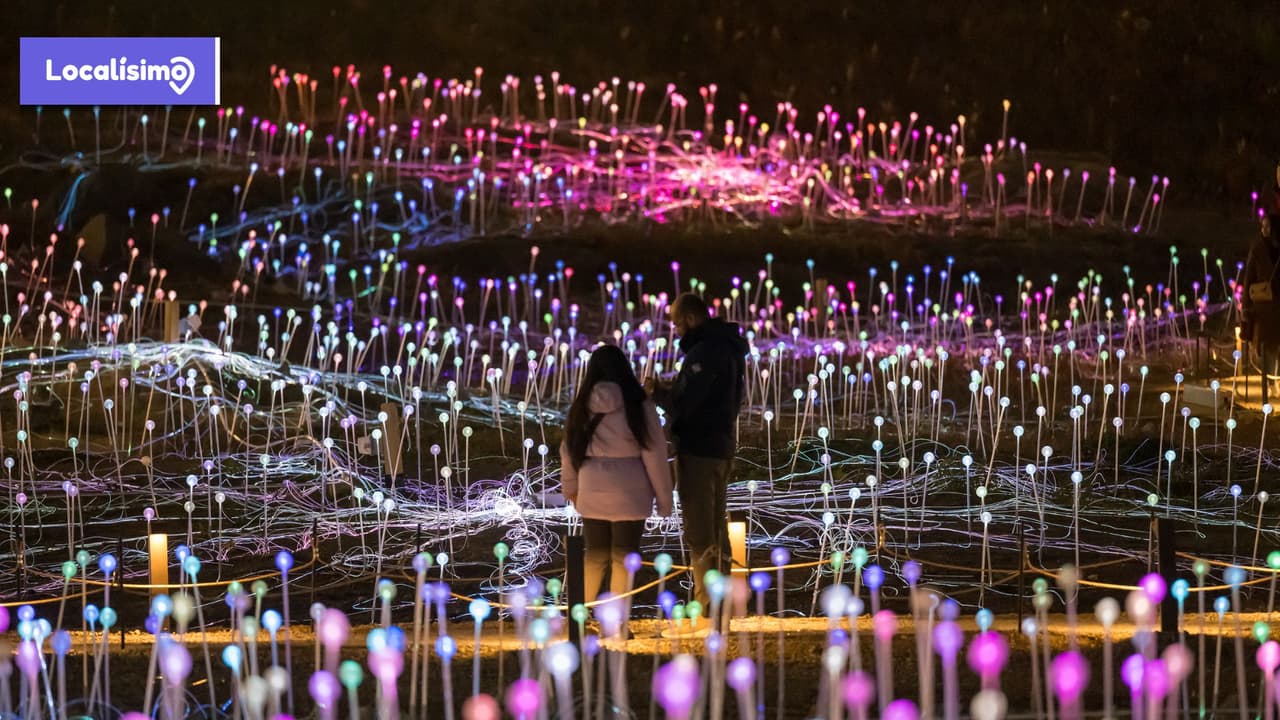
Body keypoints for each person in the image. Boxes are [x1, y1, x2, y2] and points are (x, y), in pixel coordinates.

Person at [650, 292, 748, 630]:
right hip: (721, 448)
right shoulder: (729, 348)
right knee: (716, 530)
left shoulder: (705, 352)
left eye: (677, 324)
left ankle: (708, 608)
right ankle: (719, 605)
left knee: (701, 532)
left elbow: (687, 403)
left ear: (690, 319)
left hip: (700, 450)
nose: (676, 331)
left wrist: (659, 393)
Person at [560, 344, 673, 617]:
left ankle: (578, 617)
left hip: (592, 486)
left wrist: (571, 487)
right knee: (625, 557)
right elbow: (655, 453)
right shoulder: (639, 404)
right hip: (631, 490)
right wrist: (664, 499)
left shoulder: (582, 405)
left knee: (594, 555)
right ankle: (617, 622)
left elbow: (569, 450)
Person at [1244, 210, 1280, 404]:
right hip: (1263, 306)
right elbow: (1249, 276)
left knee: (1277, 346)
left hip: (1278, 304)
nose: (1264, 230)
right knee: (1265, 346)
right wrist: (1246, 307)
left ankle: (1276, 381)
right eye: (1262, 226)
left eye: (1267, 226)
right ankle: (1268, 382)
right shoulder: (1257, 248)